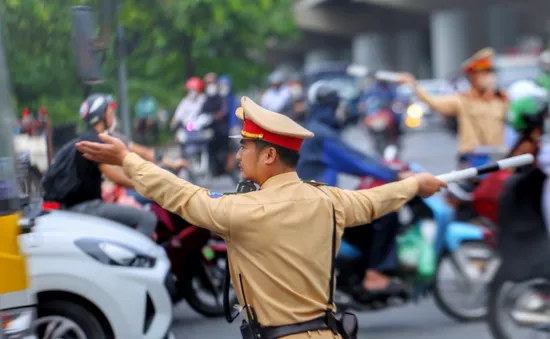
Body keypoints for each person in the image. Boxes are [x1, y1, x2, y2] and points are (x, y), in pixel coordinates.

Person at [76, 95, 447, 338]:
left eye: (245, 146)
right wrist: (414, 185)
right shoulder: (328, 200)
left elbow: (181, 194)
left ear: (269, 156)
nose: (238, 155)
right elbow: (373, 202)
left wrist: (128, 159)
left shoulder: (246, 211)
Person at [297, 82, 410, 299]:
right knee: (386, 212)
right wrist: (393, 175)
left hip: (310, 202)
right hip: (322, 206)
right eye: (338, 106)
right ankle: (374, 275)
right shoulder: (321, 135)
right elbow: (356, 161)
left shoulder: (310, 130)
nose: (342, 111)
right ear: (331, 106)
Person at [42, 93, 157, 237]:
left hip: (78, 206)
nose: (113, 115)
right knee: (147, 218)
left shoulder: (88, 138)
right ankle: (139, 258)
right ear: (102, 115)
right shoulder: (95, 141)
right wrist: (149, 185)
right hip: (86, 208)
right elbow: (115, 175)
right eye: (110, 111)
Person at [399, 47, 508, 167]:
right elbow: (433, 102)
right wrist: (414, 85)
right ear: (473, 76)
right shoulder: (462, 100)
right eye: (484, 73)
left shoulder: (501, 99)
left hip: (498, 157)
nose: (489, 77)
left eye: (490, 72)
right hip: (473, 159)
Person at [201, 72, 229, 176]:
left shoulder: (221, 98)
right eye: (207, 83)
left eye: (211, 83)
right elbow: (201, 112)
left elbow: (224, 111)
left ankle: (224, 168)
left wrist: (217, 115)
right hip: (208, 130)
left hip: (221, 130)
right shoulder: (205, 99)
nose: (210, 85)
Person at [171, 77, 206, 144]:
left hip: (200, 126)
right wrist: (174, 120)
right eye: (191, 90)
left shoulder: (203, 99)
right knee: (181, 135)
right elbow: (179, 111)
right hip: (188, 126)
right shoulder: (186, 101)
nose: (192, 92)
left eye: (194, 90)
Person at [219, 75, 240, 173]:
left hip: (232, 128)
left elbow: (234, 116)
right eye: (221, 85)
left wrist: (233, 127)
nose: (223, 87)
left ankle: (234, 165)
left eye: (225, 85)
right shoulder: (218, 99)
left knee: (237, 146)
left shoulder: (232, 99)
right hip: (221, 129)